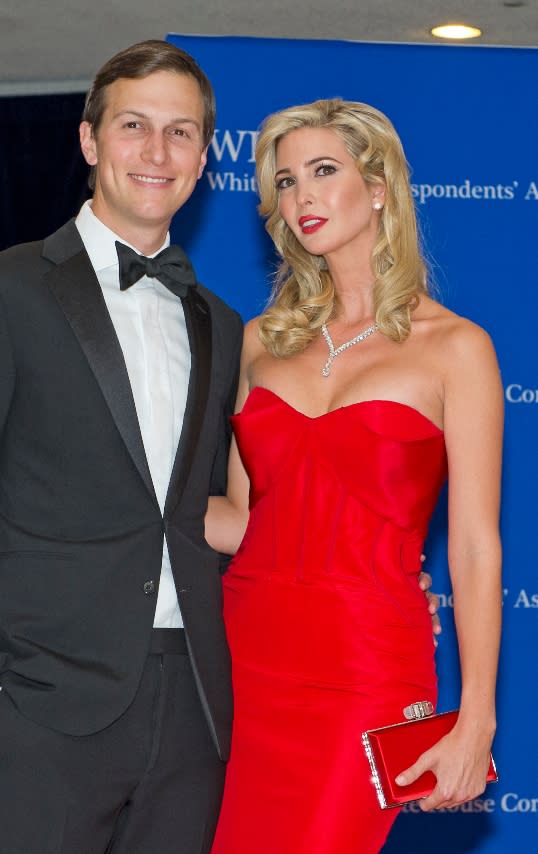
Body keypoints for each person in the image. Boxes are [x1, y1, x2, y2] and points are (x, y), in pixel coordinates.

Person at [0, 40, 244, 854]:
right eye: (134, 126)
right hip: (36, 706)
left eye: (181, 132)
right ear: (90, 142)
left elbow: (205, 512)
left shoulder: (220, 324)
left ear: (204, 157)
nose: (157, 152)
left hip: (190, 709)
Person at [206, 99, 502, 853]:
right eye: (285, 181)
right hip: (241, 661)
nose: (300, 196)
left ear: (378, 189)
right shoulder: (259, 343)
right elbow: (242, 521)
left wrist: (478, 718)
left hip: (365, 667)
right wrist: (107, 491)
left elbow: (472, 547)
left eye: (323, 171)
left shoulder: (456, 349)